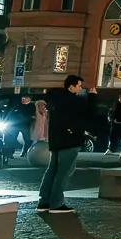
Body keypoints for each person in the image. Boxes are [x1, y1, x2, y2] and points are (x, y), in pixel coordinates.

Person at [38, 75, 98, 213]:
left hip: (56, 139)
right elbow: (90, 113)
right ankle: (56, 204)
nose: (80, 88)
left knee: (52, 170)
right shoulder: (72, 101)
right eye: (79, 86)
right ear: (71, 86)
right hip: (70, 139)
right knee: (64, 172)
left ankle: (44, 202)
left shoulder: (56, 99)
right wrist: (93, 97)